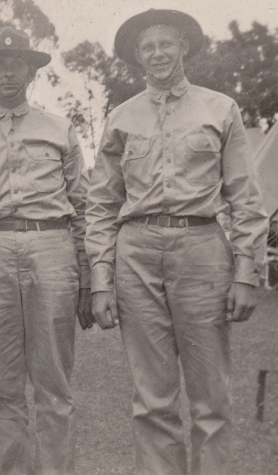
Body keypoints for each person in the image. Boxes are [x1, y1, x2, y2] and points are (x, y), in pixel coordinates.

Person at [85, 9, 268, 475]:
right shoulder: (120, 118)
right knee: (152, 398)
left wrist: (247, 272)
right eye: (148, 47)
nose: (158, 53)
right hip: (137, 254)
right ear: (137, 58)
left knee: (211, 396)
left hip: (202, 250)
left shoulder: (220, 108)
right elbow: (102, 205)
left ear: (184, 47)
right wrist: (101, 280)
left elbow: (246, 198)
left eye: (166, 44)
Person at [0, 26, 92, 475]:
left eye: (16, 64)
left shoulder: (59, 128)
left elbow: (83, 207)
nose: (7, 72)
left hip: (51, 247)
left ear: (29, 70)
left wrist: (87, 277)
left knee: (54, 382)